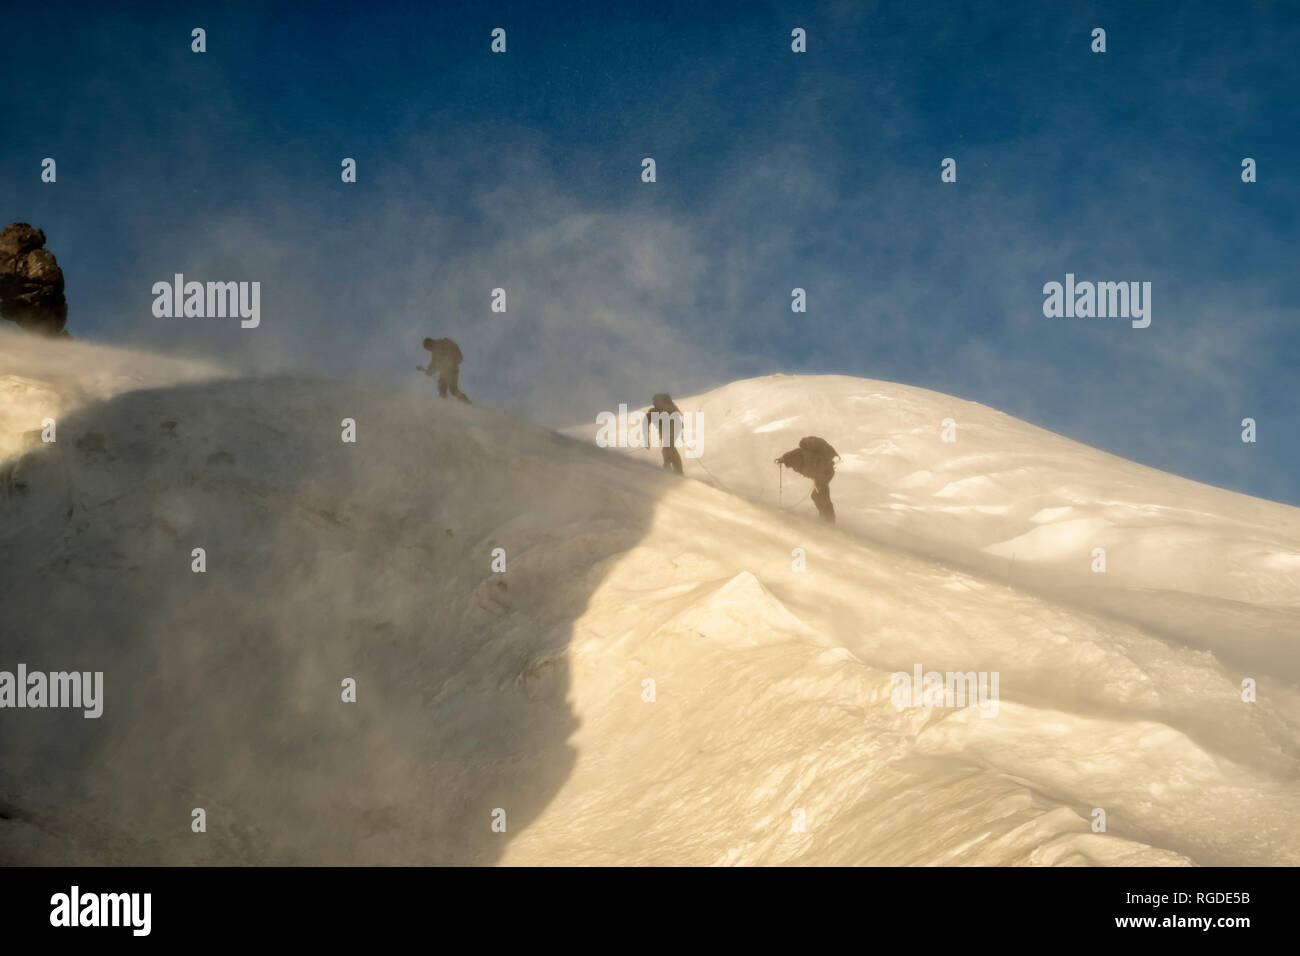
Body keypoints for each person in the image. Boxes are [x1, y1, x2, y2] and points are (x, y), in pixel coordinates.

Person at [776, 436, 839, 523]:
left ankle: (828, 519)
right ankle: (827, 518)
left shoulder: (802, 456)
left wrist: (818, 481)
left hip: (823, 474)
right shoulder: (801, 455)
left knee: (818, 496)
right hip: (825, 473)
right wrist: (782, 459)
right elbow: (789, 456)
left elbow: (816, 469)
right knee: (818, 496)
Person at [418, 337, 470, 403]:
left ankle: (465, 402)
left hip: (451, 370)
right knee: (447, 389)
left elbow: (432, 368)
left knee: (451, 390)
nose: (430, 350)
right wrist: (424, 369)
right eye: (429, 349)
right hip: (449, 371)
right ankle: (446, 404)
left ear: (431, 343)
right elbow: (432, 368)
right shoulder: (438, 348)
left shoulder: (443, 344)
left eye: (429, 348)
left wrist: (425, 370)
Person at [645, 393, 684, 475]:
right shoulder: (656, 411)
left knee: (668, 448)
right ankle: (675, 470)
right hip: (668, 433)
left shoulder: (669, 409)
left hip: (670, 432)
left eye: (655, 401)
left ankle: (672, 469)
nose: (654, 403)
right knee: (668, 449)